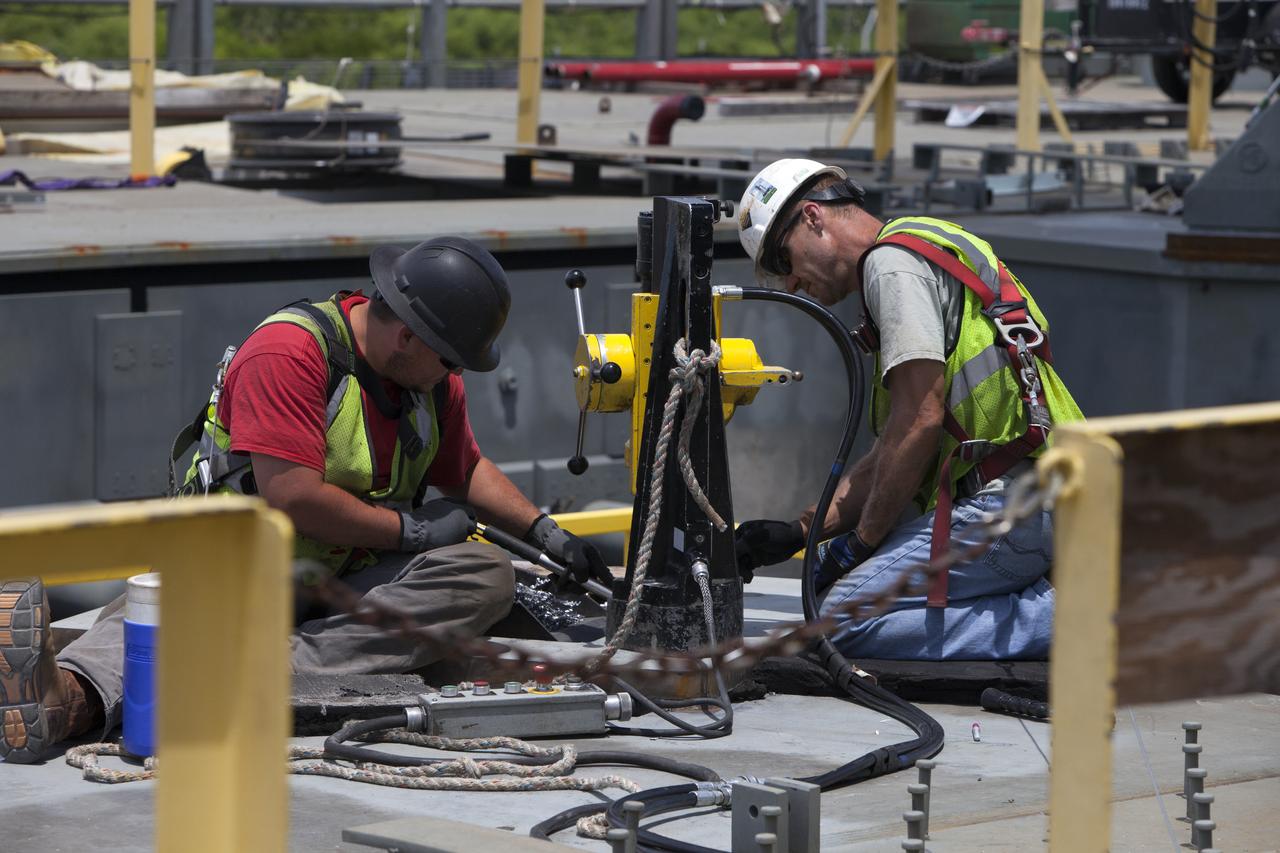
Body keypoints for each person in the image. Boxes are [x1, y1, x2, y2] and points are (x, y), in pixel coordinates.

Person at [0, 236, 612, 763]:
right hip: (238, 565)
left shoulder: (429, 379)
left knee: (484, 572)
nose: (456, 374)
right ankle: (65, 702)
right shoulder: (290, 353)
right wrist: (416, 533)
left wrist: (545, 532)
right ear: (405, 337)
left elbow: (465, 466)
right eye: (451, 359)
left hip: (340, 574)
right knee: (160, 620)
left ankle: (272, 668)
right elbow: (293, 499)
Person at [732, 159, 1084, 661]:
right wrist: (802, 533)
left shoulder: (891, 265)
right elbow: (895, 445)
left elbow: (920, 422)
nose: (789, 284)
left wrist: (864, 541)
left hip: (1015, 505)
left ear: (813, 218)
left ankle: (1070, 618)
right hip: (1052, 491)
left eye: (784, 261)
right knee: (830, 581)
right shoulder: (929, 241)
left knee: (837, 623)